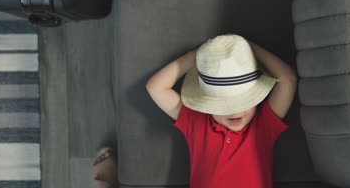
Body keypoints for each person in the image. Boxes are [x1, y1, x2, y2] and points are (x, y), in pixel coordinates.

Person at [93, 33, 297, 188]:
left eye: (243, 101)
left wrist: (250, 48)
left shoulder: (263, 126)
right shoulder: (197, 122)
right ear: (206, 104)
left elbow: (287, 80)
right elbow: (155, 87)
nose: (234, 112)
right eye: (222, 105)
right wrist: (198, 56)